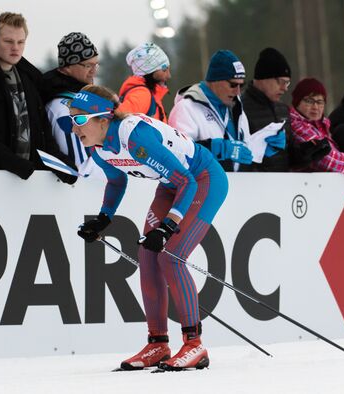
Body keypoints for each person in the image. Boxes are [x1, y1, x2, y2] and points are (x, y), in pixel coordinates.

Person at [73, 85, 228, 371]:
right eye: (71, 119)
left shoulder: (135, 137)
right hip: (172, 186)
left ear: (104, 119)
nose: (74, 128)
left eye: (80, 119)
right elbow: (117, 181)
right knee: (147, 256)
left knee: (171, 255)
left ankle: (194, 345)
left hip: (202, 180)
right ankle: (158, 343)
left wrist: (168, 227)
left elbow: (188, 183)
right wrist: (103, 218)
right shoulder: (98, 149)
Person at [0, 12, 76, 183]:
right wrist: (13, 163)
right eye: (8, 41)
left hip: (28, 176)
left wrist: (60, 163)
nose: (15, 47)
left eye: (20, 42)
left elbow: (41, 127)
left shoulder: (27, 75)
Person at [169, 49, 253, 172]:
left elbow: (243, 151)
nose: (238, 91)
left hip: (237, 186)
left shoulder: (236, 108)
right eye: (233, 85)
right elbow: (178, 154)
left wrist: (262, 150)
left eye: (242, 85)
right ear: (215, 81)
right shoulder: (186, 108)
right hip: (205, 188)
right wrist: (216, 149)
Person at [41, 32, 100, 175]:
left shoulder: (81, 99)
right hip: (75, 192)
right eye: (87, 65)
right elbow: (80, 167)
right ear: (67, 67)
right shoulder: (63, 108)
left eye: (96, 64)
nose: (93, 71)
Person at [289, 78, 344, 177]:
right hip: (305, 188)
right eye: (309, 101)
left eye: (320, 102)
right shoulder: (296, 124)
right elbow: (329, 161)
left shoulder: (321, 125)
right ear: (297, 102)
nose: (315, 107)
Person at [241, 47, 291, 171]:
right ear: (264, 78)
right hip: (254, 186)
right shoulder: (239, 109)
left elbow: (290, 156)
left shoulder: (283, 109)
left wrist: (306, 154)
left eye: (287, 83)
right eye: (281, 82)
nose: (285, 88)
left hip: (284, 185)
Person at [118, 42, 171, 122]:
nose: (168, 75)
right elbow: (119, 121)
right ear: (149, 71)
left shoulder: (148, 93)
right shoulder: (142, 94)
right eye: (164, 70)